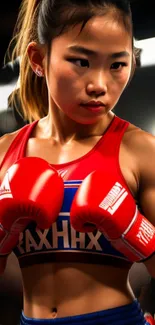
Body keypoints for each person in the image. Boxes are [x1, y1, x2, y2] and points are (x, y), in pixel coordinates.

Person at [0, 0, 155, 324]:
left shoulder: (141, 151)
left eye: (117, 65)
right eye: (81, 61)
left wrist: (134, 229)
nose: (99, 84)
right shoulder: (5, 153)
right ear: (39, 59)